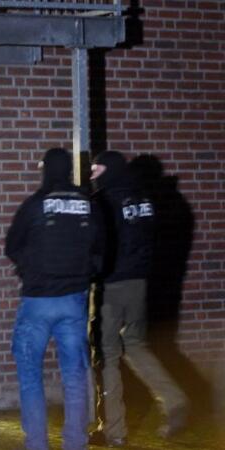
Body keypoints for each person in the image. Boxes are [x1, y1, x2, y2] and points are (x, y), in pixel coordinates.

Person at [87, 151, 188, 448]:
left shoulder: (103, 201)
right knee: (134, 344)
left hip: (111, 285)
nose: (92, 174)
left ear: (110, 169)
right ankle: (174, 399)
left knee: (106, 354)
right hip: (139, 283)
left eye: (96, 168)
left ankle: (113, 430)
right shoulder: (144, 201)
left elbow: (96, 245)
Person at [5, 147, 101, 450]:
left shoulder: (35, 204)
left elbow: (12, 245)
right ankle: (75, 443)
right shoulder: (87, 204)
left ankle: (37, 444)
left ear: (46, 169)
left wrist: (29, 269)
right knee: (74, 376)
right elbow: (102, 249)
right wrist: (84, 274)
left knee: (30, 375)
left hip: (38, 299)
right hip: (74, 300)